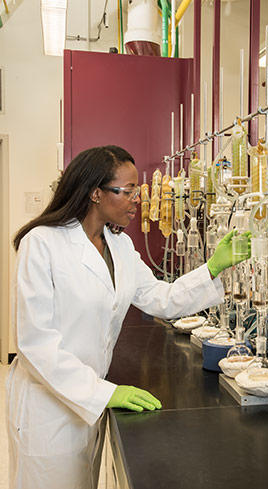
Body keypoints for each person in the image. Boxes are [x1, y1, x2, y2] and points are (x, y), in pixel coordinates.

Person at [6, 145, 251, 489]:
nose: (138, 199)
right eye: (129, 191)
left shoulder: (119, 246)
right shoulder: (43, 243)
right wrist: (104, 393)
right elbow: (36, 342)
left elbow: (158, 297)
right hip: (48, 406)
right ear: (95, 193)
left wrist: (212, 267)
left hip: (88, 403)